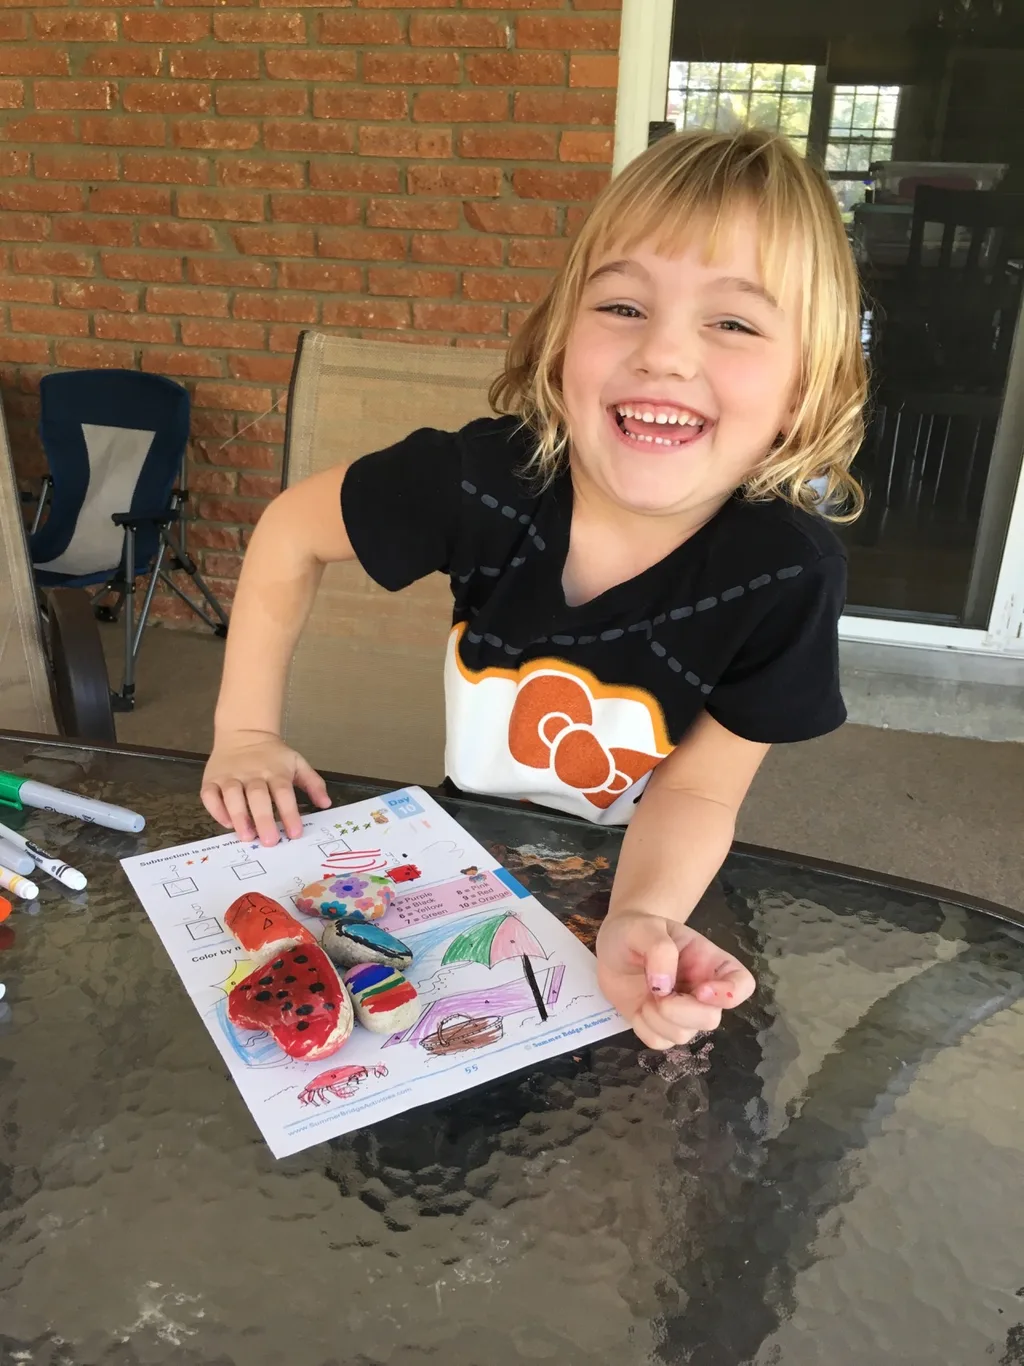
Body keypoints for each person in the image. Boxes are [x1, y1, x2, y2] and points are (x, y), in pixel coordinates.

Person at [201, 128, 866, 1052]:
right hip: (456, 851)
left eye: (735, 322)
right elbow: (289, 534)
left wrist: (637, 916)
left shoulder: (789, 573)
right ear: (561, 342)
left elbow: (701, 796)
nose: (665, 355)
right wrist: (245, 734)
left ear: (805, 387)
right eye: (624, 306)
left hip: (644, 871)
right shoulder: (478, 481)